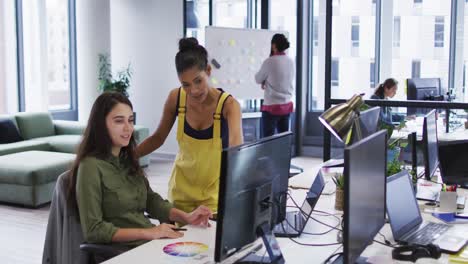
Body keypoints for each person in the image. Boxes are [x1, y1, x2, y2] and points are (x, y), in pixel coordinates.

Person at [68, 92, 212, 247]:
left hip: (151, 242)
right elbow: (93, 230)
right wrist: (149, 232)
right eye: (119, 121)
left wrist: (187, 217)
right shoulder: (90, 166)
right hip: (126, 251)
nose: (128, 128)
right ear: (101, 124)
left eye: (130, 121)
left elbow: (151, 201)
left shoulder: (128, 159)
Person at [136, 38, 243, 213]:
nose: (193, 90)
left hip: (213, 200)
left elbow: (236, 152)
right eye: (185, 84)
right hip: (180, 197)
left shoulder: (229, 106)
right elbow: (158, 138)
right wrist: (128, 157)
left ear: (208, 71)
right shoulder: (176, 98)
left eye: (198, 81)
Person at [255, 33, 295, 137]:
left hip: (271, 107)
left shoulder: (269, 61)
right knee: (284, 139)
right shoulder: (291, 61)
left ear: (273, 45)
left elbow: (258, 79)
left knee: (267, 140)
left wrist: (265, 81)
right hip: (286, 105)